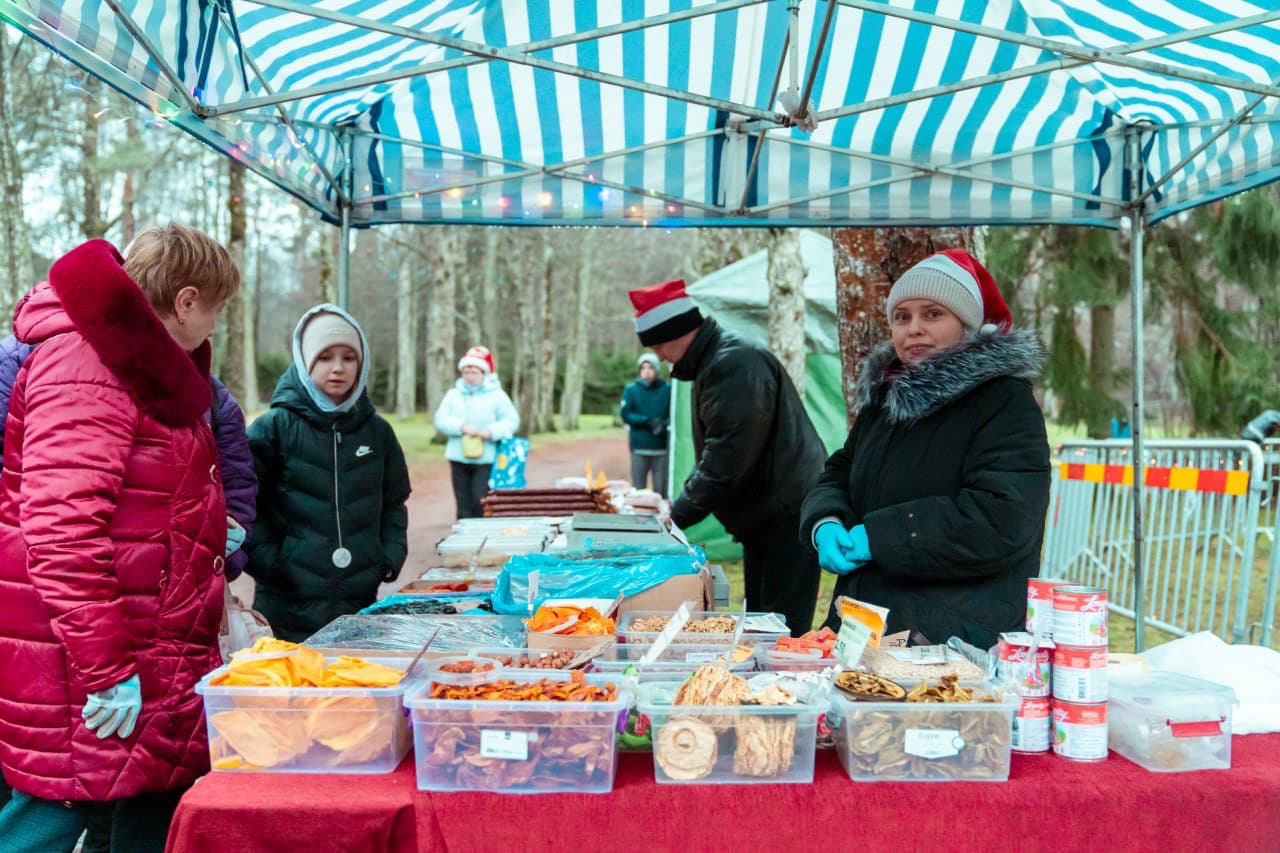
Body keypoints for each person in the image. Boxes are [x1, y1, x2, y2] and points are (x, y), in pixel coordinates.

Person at [0, 225, 240, 852]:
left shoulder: (138, 364)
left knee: (144, 806)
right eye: (216, 309)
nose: (216, 326)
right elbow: (62, 529)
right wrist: (106, 669)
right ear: (185, 301)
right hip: (87, 655)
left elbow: (140, 490)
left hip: (147, 646)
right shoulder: (86, 362)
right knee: (54, 810)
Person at [800, 249, 1050, 649]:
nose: (914, 329)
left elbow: (1002, 519)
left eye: (933, 314)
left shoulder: (1004, 402)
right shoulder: (884, 403)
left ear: (966, 325)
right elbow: (839, 473)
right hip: (864, 626)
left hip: (952, 640)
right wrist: (824, 521)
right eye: (902, 317)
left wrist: (880, 537)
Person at [628, 279, 825, 637]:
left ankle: (787, 670)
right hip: (768, 515)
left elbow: (726, 457)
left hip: (784, 514)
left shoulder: (732, 364)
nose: (659, 356)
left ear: (678, 332)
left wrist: (676, 515)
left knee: (780, 628)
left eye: (658, 345)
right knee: (763, 620)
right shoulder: (718, 361)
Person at [245, 305, 411, 642]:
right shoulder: (272, 429)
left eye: (349, 358)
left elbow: (395, 501)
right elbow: (246, 506)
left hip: (359, 603)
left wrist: (388, 557)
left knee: (354, 676)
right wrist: (272, 564)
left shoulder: (378, 432)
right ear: (305, 361)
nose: (338, 368)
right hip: (285, 608)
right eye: (324, 357)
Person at [433, 345, 519, 520]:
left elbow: (511, 421)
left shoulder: (497, 396)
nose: (469, 375)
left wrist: (491, 432)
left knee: (480, 499)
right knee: (462, 501)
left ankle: (480, 531)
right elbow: (440, 419)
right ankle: (463, 532)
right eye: (465, 371)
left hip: (486, 458)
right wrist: (461, 427)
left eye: (473, 371)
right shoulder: (453, 395)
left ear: (483, 373)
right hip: (458, 456)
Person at [620, 352, 671, 495]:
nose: (647, 371)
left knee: (660, 490)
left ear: (657, 370)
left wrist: (662, 424)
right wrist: (647, 421)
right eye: (643, 368)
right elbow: (626, 414)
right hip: (639, 447)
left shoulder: (667, 390)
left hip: (660, 448)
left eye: (651, 368)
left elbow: (674, 414)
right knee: (638, 491)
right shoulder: (631, 390)